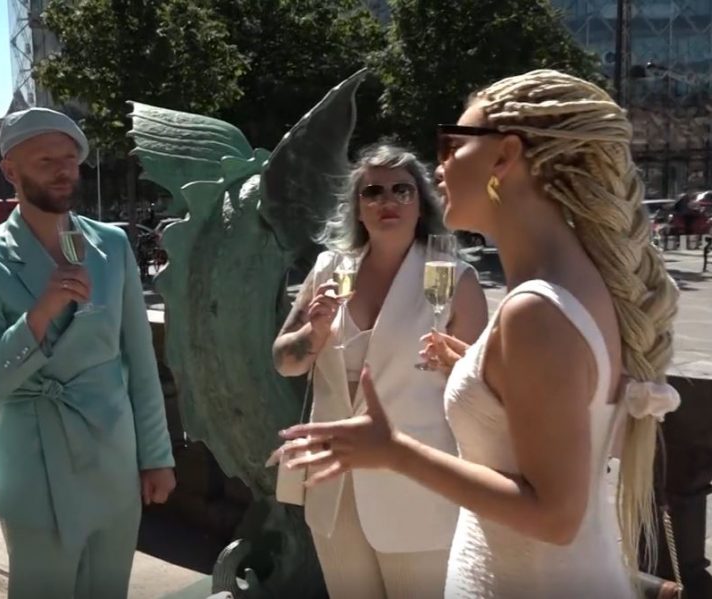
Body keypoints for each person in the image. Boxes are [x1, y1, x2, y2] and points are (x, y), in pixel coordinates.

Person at [278, 70, 681, 597]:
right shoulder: (564, 290)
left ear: (504, 157)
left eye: (452, 146)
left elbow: (556, 516)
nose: (439, 168)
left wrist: (394, 451)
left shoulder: (536, 309)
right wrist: (473, 370)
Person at [0, 107, 176, 599]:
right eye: (45, 161)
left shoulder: (112, 246)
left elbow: (141, 362)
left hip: (112, 461)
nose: (62, 171)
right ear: (10, 171)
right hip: (34, 468)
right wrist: (40, 315)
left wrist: (157, 456)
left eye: (69, 160)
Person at [271, 143, 488, 598]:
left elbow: (481, 395)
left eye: (401, 190)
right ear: (357, 207)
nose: (387, 200)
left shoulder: (453, 277)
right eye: (372, 191)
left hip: (418, 487)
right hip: (333, 486)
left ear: (421, 203)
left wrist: (455, 365)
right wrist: (315, 331)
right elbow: (285, 361)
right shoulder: (331, 269)